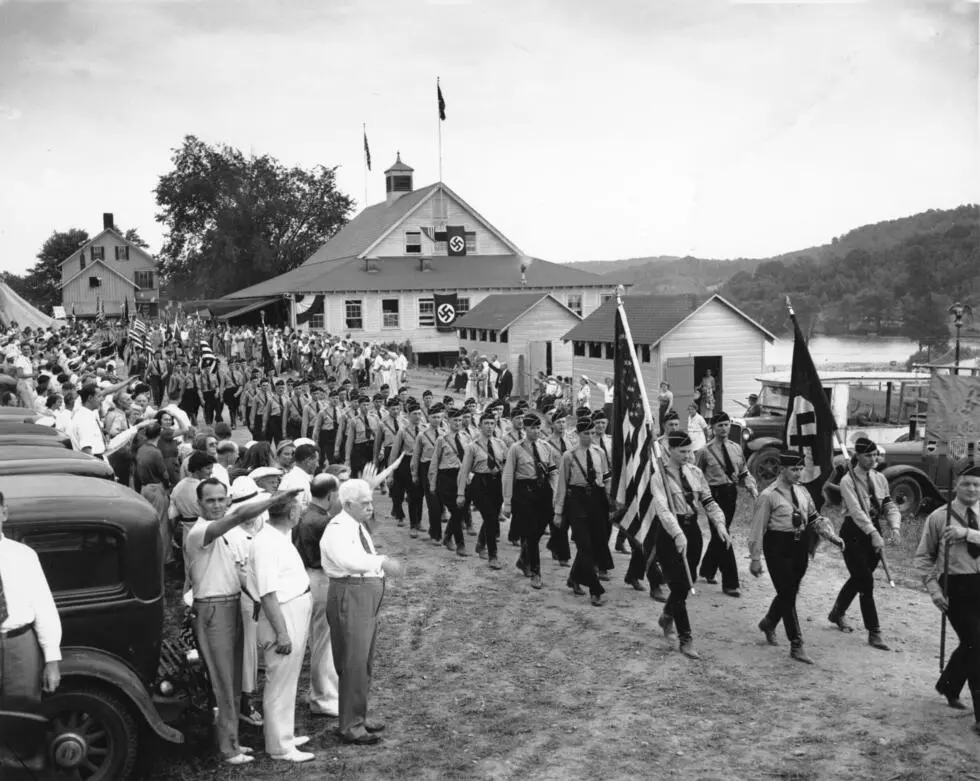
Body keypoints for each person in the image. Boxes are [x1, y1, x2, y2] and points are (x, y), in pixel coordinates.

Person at [184, 479, 300, 765]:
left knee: (235, 678)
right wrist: (275, 500)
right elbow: (237, 516)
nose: (217, 505)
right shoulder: (200, 532)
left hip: (232, 604)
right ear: (199, 504)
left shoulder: (226, 536)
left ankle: (232, 739)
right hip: (213, 608)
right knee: (223, 680)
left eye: (221, 499)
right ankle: (227, 747)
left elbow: (239, 573)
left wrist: (260, 598)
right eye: (210, 500)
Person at [321, 479, 404, 745]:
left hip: (363, 594)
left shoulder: (354, 524)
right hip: (351, 593)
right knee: (353, 662)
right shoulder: (338, 529)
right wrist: (381, 561)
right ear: (347, 505)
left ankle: (358, 715)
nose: (370, 507)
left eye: (371, 501)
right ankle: (350, 724)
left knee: (363, 660)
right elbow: (347, 560)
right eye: (365, 503)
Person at [748, 451, 842, 664]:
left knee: (790, 591)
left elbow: (814, 518)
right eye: (794, 469)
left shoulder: (802, 491)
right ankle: (796, 643)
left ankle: (769, 622)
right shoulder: (768, 496)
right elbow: (757, 528)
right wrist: (755, 557)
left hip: (799, 545)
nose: (799, 473)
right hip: (777, 546)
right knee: (787, 594)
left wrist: (831, 536)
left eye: (800, 469)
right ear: (782, 470)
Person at [913, 463, 980, 734]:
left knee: (972, 643)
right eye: (966, 484)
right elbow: (923, 557)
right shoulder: (939, 517)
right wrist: (934, 590)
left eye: (977, 484)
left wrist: (968, 534)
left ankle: (949, 685)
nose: (972, 489)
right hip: (955, 587)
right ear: (955, 486)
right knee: (977, 643)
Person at [248, 495, 315, 763]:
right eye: (298, 509)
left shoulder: (277, 536)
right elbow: (267, 593)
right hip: (283, 614)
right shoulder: (266, 543)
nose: (301, 513)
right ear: (291, 514)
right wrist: (282, 632)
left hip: (293, 608)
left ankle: (284, 734)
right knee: (280, 680)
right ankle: (279, 746)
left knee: (289, 678)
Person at [654, 432, 730, 659]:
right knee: (679, 583)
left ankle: (668, 614)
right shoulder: (659, 477)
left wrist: (720, 523)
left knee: (688, 581)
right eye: (682, 452)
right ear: (670, 450)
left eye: (690, 451)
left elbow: (708, 501)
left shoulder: (696, 473)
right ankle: (685, 638)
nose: (688, 456)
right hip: (670, 533)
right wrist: (677, 533)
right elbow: (662, 509)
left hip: (692, 530)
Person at [828, 437, 901, 650]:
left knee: (859, 578)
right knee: (866, 581)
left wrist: (895, 526)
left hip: (873, 531)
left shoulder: (880, 478)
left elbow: (888, 504)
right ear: (857, 456)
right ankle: (874, 631)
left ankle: (837, 612)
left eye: (875, 454)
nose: (873, 459)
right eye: (868, 455)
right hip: (853, 533)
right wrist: (873, 533)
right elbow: (857, 512)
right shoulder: (847, 481)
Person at [0, 490, 62, 707]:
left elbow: (44, 607)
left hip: (20, 645)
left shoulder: (23, 555)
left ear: (4, 514)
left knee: (22, 712)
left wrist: (52, 661)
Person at [696, 411, 758, 597]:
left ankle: (707, 569)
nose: (724, 429)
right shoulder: (704, 451)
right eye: (720, 426)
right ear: (712, 428)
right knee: (723, 536)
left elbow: (744, 471)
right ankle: (730, 583)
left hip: (730, 494)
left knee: (720, 534)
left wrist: (751, 486)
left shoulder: (736, 448)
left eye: (726, 425)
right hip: (713, 496)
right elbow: (696, 475)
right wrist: (696, 497)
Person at [295, 474, 341, 718]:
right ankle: (323, 697)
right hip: (321, 578)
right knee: (324, 644)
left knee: (318, 641)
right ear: (331, 494)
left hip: (307, 576)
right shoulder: (323, 521)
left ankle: (319, 693)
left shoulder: (304, 514)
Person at [553, 418, 609, 606]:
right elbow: (562, 485)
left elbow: (606, 479)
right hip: (576, 501)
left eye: (592, 433)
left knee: (593, 544)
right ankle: (595, 589)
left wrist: (610, 502)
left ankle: (574, 577)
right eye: (586, 433)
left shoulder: (600, 453)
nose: (590, 437)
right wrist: (558, 511)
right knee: (584, 545)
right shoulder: (568, 456)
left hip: (596, 500)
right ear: (578, 434)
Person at [503, 414, 558, 589]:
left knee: (540, 529)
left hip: (543, 492)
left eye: (538, 427)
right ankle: (535, 572)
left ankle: (523, 559)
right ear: (525, 429)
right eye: (532, 428)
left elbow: (553, 471)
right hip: (524, 492)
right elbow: (508, 475)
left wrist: (555, 492)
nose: (536, 431)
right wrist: (507, 501)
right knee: (531, 534)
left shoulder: (546, 447)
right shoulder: (516, 449)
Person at [460, 411, 506, 570]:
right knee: (491, 518)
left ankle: (480, 543)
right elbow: (464, 471)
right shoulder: (472, 447)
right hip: (479, 484)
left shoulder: (500, 444)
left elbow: (506, 465)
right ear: (479, 426)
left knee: (492, 517)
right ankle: (493, 556)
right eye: (486, 423)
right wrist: (460, 493)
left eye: (492, 423)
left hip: (496, 483)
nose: (489, 426)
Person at [430, 408, 469, 557]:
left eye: (460, 420)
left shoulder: (465, 437)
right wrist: (433, 483)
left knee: (461, 510)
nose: (458, 423)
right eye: (455, 420)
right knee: (455, 510)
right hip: (446, 477)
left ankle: (447, 536)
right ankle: (460, 544)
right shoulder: (442, 439)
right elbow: (435, 462)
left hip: (462, 476)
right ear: (448, 421)